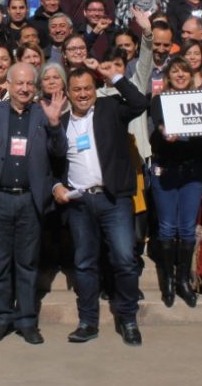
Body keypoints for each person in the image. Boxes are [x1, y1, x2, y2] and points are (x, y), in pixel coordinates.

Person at [0, 63, 67, 345]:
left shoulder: (44, 113)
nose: (24, 89)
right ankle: (2, 318)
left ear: (35, 87)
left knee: (28, 263)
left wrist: (56, 125)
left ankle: (27, 321)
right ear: (7, 85)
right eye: (18, 83)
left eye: (29, 84)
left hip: (30, 200)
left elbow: (59, 153)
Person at [52, 65, 149, 346]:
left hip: (113, 198)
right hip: (79, 203)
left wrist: (115, 77)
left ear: (95, 90)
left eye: (87, 88)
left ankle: (128, 319)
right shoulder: (61, 121)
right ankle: (87, 322)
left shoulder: (110, 109)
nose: (83, 94)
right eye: (77, 90)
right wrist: (56, 186)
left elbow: (140, 103)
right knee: (84, 263)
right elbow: (55, 161)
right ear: (68, 93)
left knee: (124, 260)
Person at [148, 57, 202, 308]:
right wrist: (165, 132)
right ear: (168, 75)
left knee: (186, 228)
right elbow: (160, 126)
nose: (180, 75)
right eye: (175, 71)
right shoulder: (159, 100)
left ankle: (183, 279)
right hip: (166, 168)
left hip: (192, 170)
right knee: (166, 227)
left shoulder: (199, 100)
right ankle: (169, 281)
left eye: (184, 71)